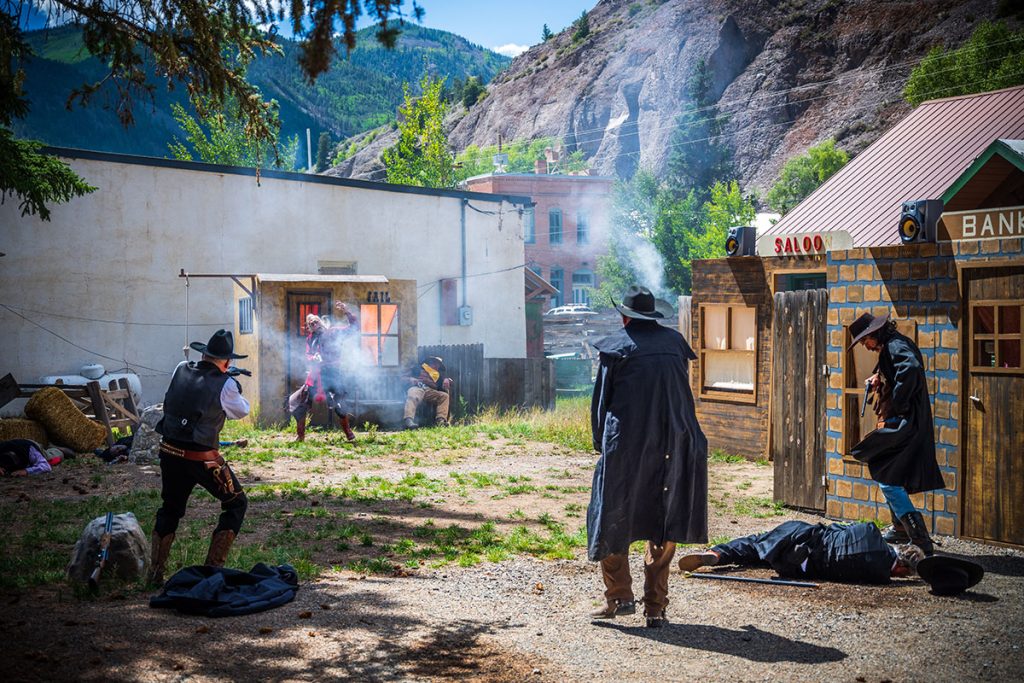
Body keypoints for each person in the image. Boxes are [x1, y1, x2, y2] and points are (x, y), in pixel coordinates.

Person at [587, 285, 708, 628]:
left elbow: (602, 403)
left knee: (611, 513)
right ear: (651, 316)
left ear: (625, 316)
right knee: (663, 518)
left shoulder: (618, 348)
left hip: (628, 444)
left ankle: (620, 597)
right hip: (676, 441)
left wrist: (602, 445)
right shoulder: (673, 345)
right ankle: (655, 606)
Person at [148, 329, 250, 586]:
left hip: (169, 453)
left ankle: (155, 572)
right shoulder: (226, 383)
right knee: (236, 503)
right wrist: (232, 383)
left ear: (204, 353)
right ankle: (211, 573)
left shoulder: (180, 368)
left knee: (170, 509)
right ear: (227, 362)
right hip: (202, 459)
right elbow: (241, 411)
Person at [848, 312, 944, 555]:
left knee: (888, 478)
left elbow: (910, 369)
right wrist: (878, 377)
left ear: (873, 334)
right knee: (887, 469)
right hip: (906, 422)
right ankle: (899, 528)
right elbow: (893, 368)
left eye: (863, 341)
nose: (864, 346)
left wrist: (899, 408)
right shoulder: (893, 344)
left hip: (906, 423)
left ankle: (919, 539)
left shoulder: (895, 345)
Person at [677, 520, 926, 584]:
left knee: (755, 542)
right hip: (795, 566)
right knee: (761, 555)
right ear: (903, 569)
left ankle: (717, 554)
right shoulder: (879, 576)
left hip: (801, 534)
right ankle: (720, 555)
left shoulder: (870, 530)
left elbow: (836, 528)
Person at [287, 301, 358, 442]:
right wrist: (313, 357)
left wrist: (347, 311)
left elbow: (354, 328)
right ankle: (300, 436)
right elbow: (308, 355)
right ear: (309, 328)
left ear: (321, 322)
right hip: (315, 375)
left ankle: (349, 433)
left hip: (332, 374)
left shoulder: (334, 332)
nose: (313, 324)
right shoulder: (310, 338)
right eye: (310, 323)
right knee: (300, 403)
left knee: (339, 405)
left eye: (315, 321)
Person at [402, 356, 452, 429]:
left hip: (430, 392)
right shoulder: (417, 369)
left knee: (444, 396)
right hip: (417, 388)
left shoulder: (437, 375)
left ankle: (440, 421)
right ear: (429, 362)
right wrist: (411, 379)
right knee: (413, 394)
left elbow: (445, 384)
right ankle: (408, 420)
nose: (436, 366)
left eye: (438, 364)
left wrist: (447, 380)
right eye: (435, 363)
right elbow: (403, 378)